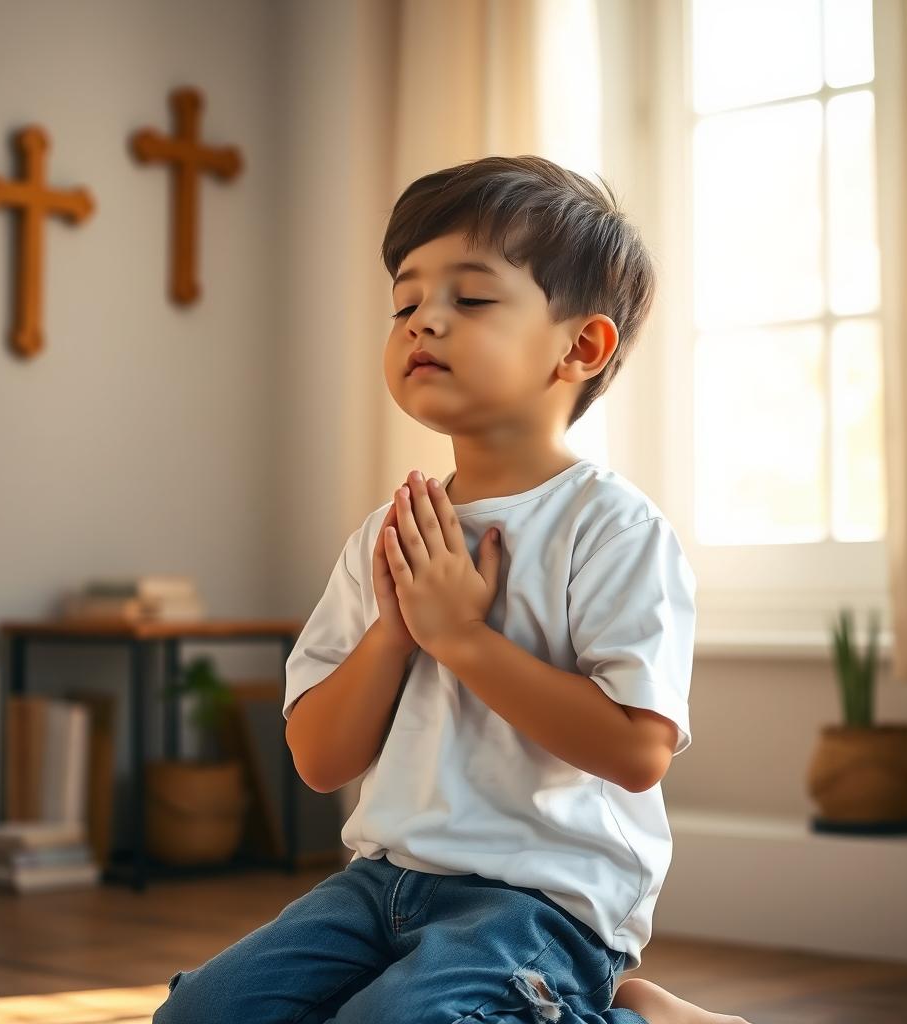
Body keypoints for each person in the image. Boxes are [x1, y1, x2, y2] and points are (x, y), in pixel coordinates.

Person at [153, 155, 751, 1024]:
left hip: (540, 903)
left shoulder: (612, 528)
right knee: (197, 1017)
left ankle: (634, 1013)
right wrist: (397, 632)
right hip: (380, 884)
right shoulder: (389, 533)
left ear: (580, 347)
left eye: (469, 298)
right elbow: (319, 760)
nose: (423, 321)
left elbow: (636, 752)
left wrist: (462, 639)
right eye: (404, 304)